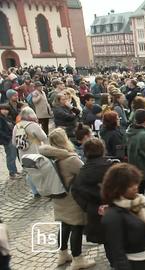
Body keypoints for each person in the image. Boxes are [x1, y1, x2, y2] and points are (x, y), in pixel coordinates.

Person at [39, 128, 96, 269]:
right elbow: (85, 174)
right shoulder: (70, 158)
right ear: (65, 140)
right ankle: (78, 260)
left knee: (64, 225)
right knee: (77, 226)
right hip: (73, 199)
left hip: (59, 196)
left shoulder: (50, 156)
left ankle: (63, 254)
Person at [101, 163, 145, 270]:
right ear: (117, 188)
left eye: (136, 183)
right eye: (130, 186)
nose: (135, 187)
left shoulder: (137, 204)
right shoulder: (113, 216)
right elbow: (117, 252)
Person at [72, 138, 115, 245]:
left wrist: (91, 208)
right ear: (102, 150)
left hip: (95, 215)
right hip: (115, 212)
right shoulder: (112, 167)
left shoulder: (82, 172)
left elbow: (76, 192)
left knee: (107, 243)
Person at [12, 107, 48, 197]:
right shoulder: (33, 125)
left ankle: (35, 191)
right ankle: (43, 190)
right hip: (35, 152)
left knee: (29, 172)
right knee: (39, 172)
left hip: (23, 154)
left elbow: (14, 142)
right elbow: (44, 137)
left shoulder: (17, 126)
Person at [0, 104, 21, 179]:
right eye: (3, 109)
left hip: (12, 138)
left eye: (7, 109)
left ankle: (14, 170)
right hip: (7, 140)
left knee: (13, 155)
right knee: (10, 156)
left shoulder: (7, 118)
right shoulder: (1, 118)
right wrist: (8, 137)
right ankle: (12, 173)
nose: (6, 111)